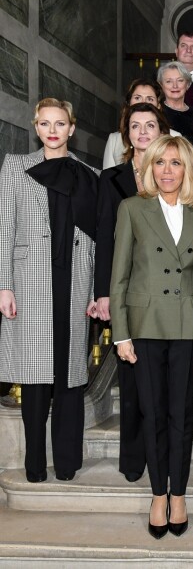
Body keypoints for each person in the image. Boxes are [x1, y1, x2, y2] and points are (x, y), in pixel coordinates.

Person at [110, 135, 193, 539]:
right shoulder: (131, 209)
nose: (167, 170)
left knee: (182, 415)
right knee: (152, 414)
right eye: (160, 163)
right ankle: (159, 494)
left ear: (187, 168)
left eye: (175, 163)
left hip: (188, 325)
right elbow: (118, 276)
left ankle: (180, 492)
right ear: (149, 167)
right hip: (145, 325)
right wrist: (120, 333)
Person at [0, 98, 99, 483]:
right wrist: (4, 285)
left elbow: (94, 240)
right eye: (45, 123)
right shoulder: (15, 167)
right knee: (35, 377)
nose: (53, 130)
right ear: (36, 127)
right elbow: (4, 228)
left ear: (72, 128)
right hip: (30, 283)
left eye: (60, 123)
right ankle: (35, 465)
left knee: (71, 375)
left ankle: (68, 462)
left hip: (74, 281)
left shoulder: (89, 174)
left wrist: (95, 290)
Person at [95, 103, 170, 482]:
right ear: (127, 133)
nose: (142, 131)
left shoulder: (171, 173)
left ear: (162, 130)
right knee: (130, 378)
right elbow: (105, 241)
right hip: (126, 287)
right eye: (135, 126)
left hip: (166, 291)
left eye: (150, 125)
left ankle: (163, 454)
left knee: (161, 381)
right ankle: (132, 458)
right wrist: (104, 292)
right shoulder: (112, 178)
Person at [102, 78, 179, 169]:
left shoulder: (175, 137)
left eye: (150, 99)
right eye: (137, 98)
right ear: (128, 103)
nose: (143, 102)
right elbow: (108, 178)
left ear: (158, 106)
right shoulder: (114, 140)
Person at [157, 61, 193, 143]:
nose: (175, 86)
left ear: (188, 84)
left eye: (180, 80)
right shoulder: (157, 112)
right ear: (161, 85)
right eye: (169, 81)